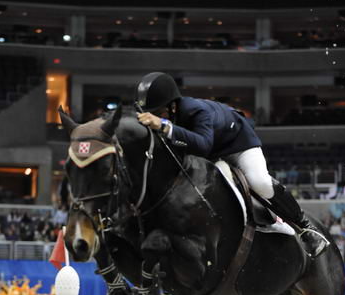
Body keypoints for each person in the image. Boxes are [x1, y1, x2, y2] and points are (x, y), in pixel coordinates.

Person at [135, 72, 329, 258]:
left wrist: (163, 125)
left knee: (259, 181)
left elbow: (203, 145)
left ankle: (305, 228)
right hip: (213, 156)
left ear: (173, 107)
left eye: (158, 112)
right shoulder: (167, 116)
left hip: (238, 144)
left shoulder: (195, 110)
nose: (154, 117)